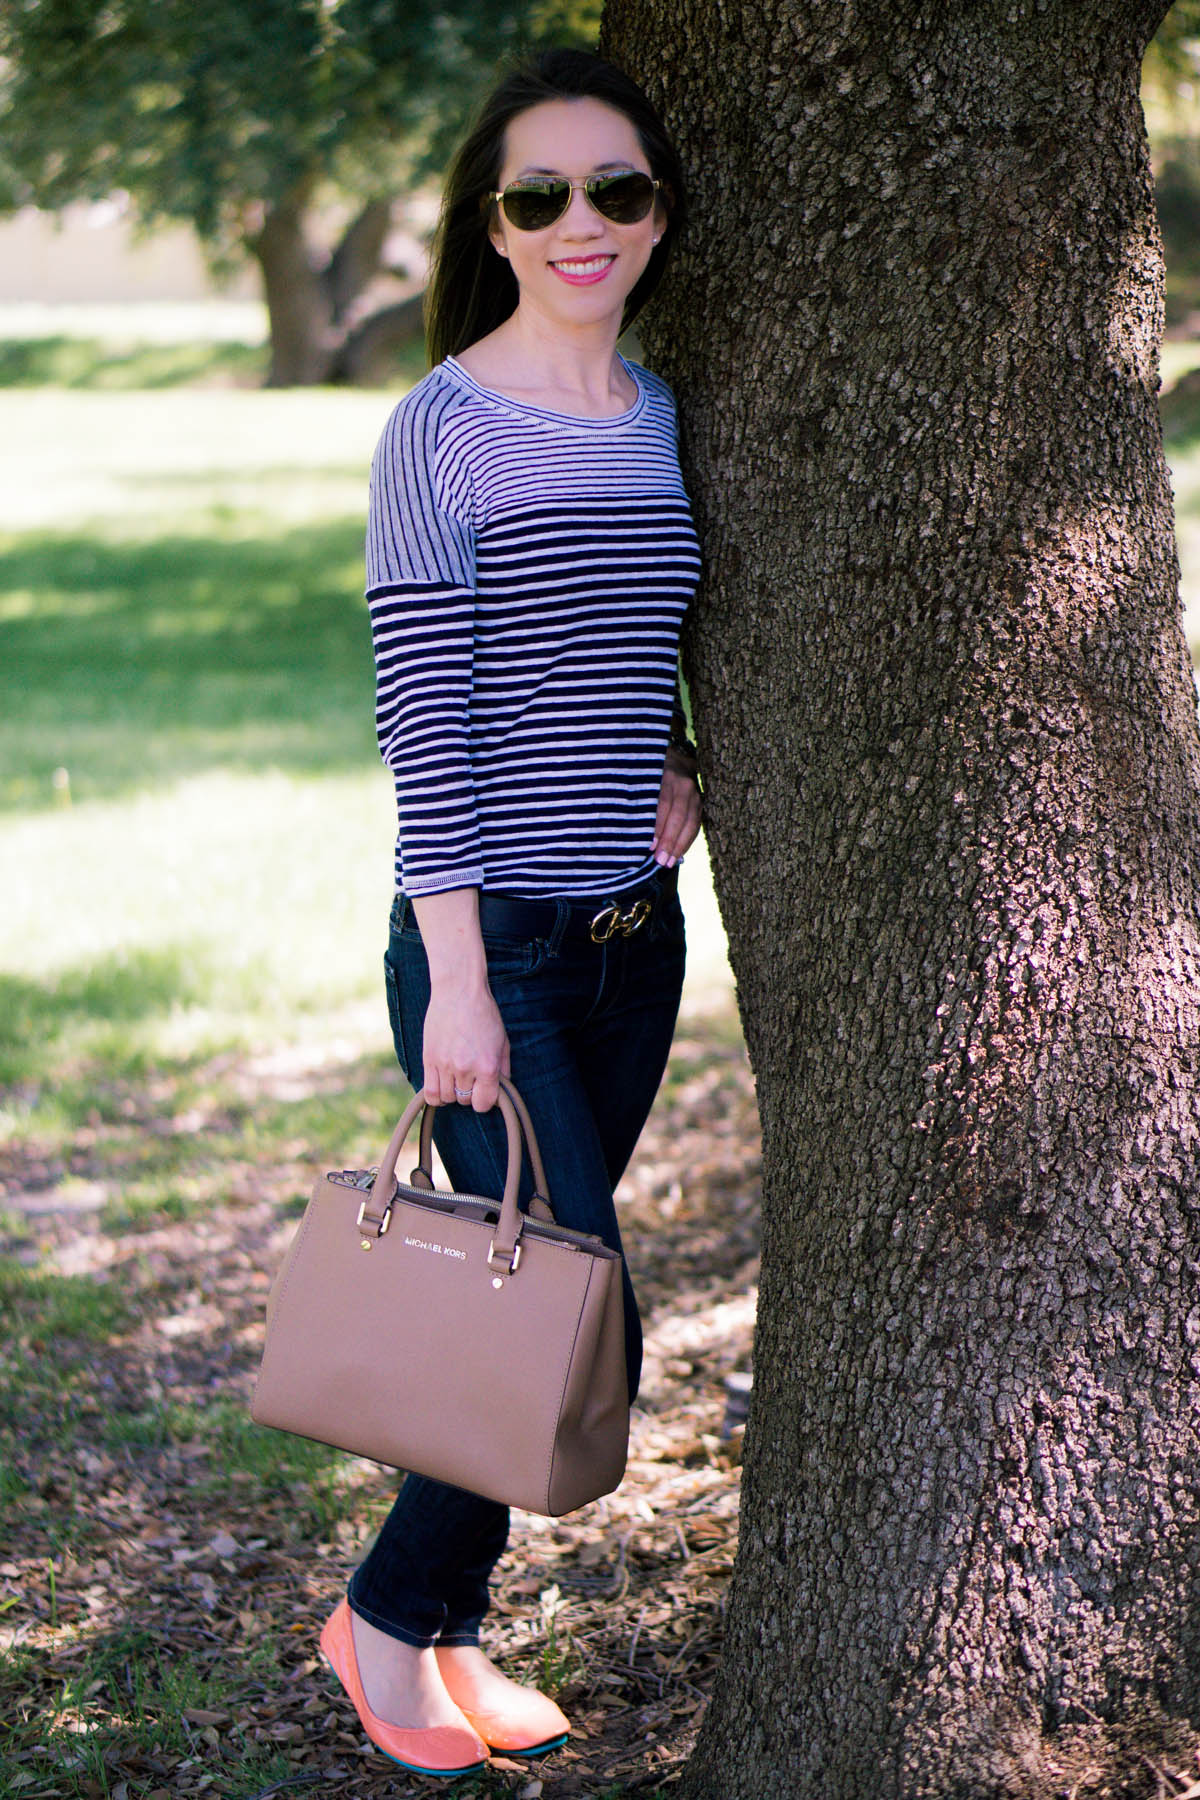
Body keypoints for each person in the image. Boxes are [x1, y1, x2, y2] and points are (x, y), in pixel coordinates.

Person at [318, 46, 703, 1780]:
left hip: (636, 932)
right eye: (540, 195)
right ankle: (384, 1624)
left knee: (529, 1312)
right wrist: (457, 983)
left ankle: (449, 1634)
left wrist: (674, 755)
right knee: (564, 1308)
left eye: (614, 190)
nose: (581, 224)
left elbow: (634, 633)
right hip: (503, 957)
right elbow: (431, 718)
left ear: (656, 212)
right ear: (494, 220)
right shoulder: (440, 430)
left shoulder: (662, 410)